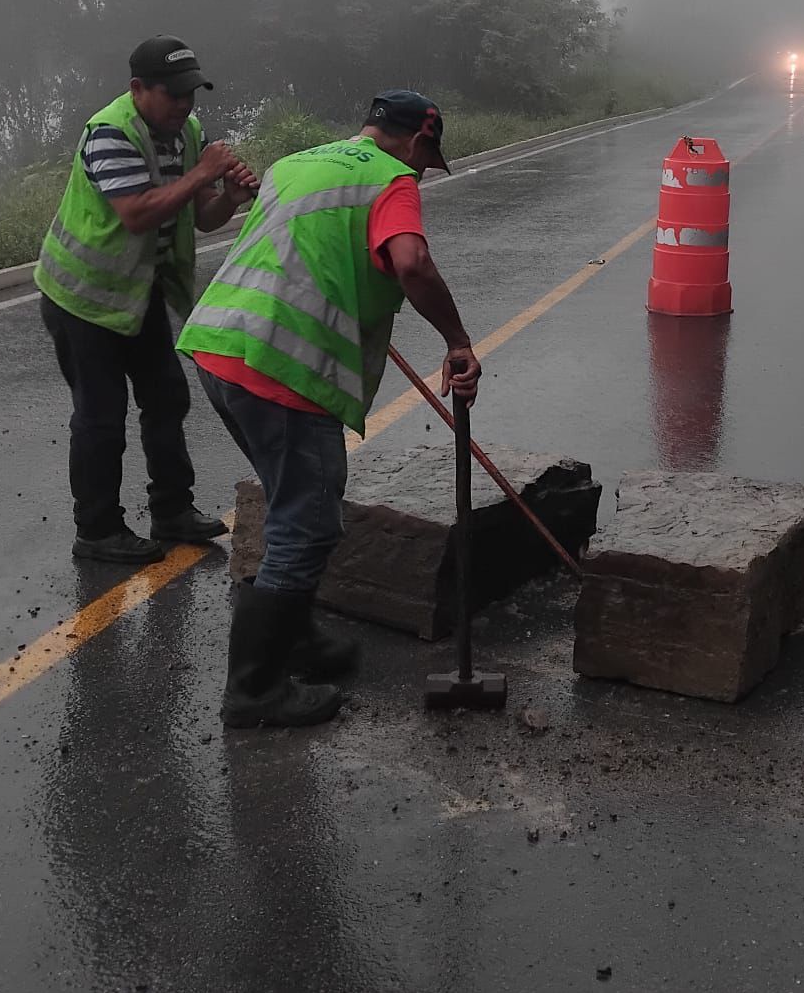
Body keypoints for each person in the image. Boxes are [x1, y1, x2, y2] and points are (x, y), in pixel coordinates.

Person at [178, 89, 482, 729]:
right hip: (281, 367)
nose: (423, 171)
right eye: (427, 158)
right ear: (418, 141)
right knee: (307, 520)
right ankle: (255, 691)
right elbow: (412, 262)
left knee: (290, 499)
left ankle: (298, 639)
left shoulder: (298, 163)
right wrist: (457, 339)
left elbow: (302, 248)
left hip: (219, 347)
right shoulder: (392, 179)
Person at [36, 36, 260, 564]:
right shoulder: (109, 133)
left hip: (138, 294)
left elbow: (200, 217)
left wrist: (227, 193)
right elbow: (136, 212)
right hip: (81, 299)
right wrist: (205, 172)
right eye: (173, 93)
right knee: (100, 415)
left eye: (191, 94)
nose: (184, 105)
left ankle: (171, 511)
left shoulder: (187, 133)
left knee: (166, 398)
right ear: (138, 89)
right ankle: (96, 531)